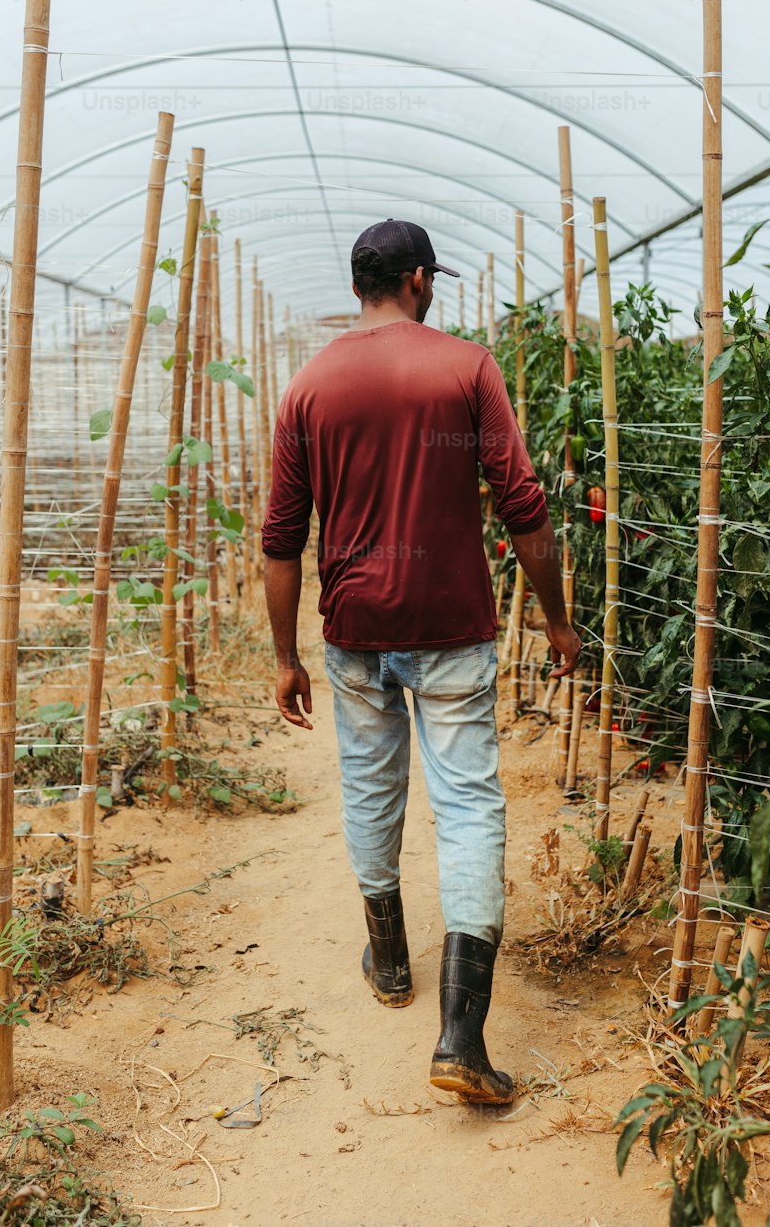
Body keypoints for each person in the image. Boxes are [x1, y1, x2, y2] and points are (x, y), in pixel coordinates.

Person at [261, 219, 582, 1105]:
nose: (433, 287)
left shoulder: (308, 387)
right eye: (431, 276)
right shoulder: (467, 368)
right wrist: (557, 621)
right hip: (450, 625)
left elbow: (282, 540)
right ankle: (461, 1036)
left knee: (370, 789)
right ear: (414, 278)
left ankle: (392, 961)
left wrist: (285, 656)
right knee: (469, 805)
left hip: (354, 628)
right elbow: (525, 507)